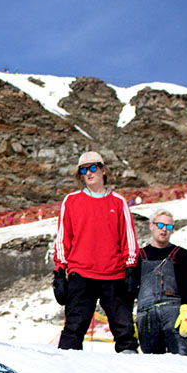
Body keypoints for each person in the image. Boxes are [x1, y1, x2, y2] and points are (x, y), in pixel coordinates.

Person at [52, 151, 140, 352]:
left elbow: (129, 237)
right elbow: (63, 237)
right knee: (74, 328)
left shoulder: (118, 202)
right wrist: (59, 272)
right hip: (81, 274)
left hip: (114, 274)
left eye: (93, 168)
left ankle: (131, 370)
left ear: (103, 169)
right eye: (84, 169)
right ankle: (66, 369)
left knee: (125, 330)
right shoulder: (71, 201)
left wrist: (131, 269)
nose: (89, 173)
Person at [135, 210, 187, 355]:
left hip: (173, 314)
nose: (164, 229)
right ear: (151, 226)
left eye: (169, 227)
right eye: (160, 225)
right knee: (152, 365)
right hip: (146, 316)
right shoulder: (139, 256)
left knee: (181, 358)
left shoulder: (182, 255)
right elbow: (129, 287)